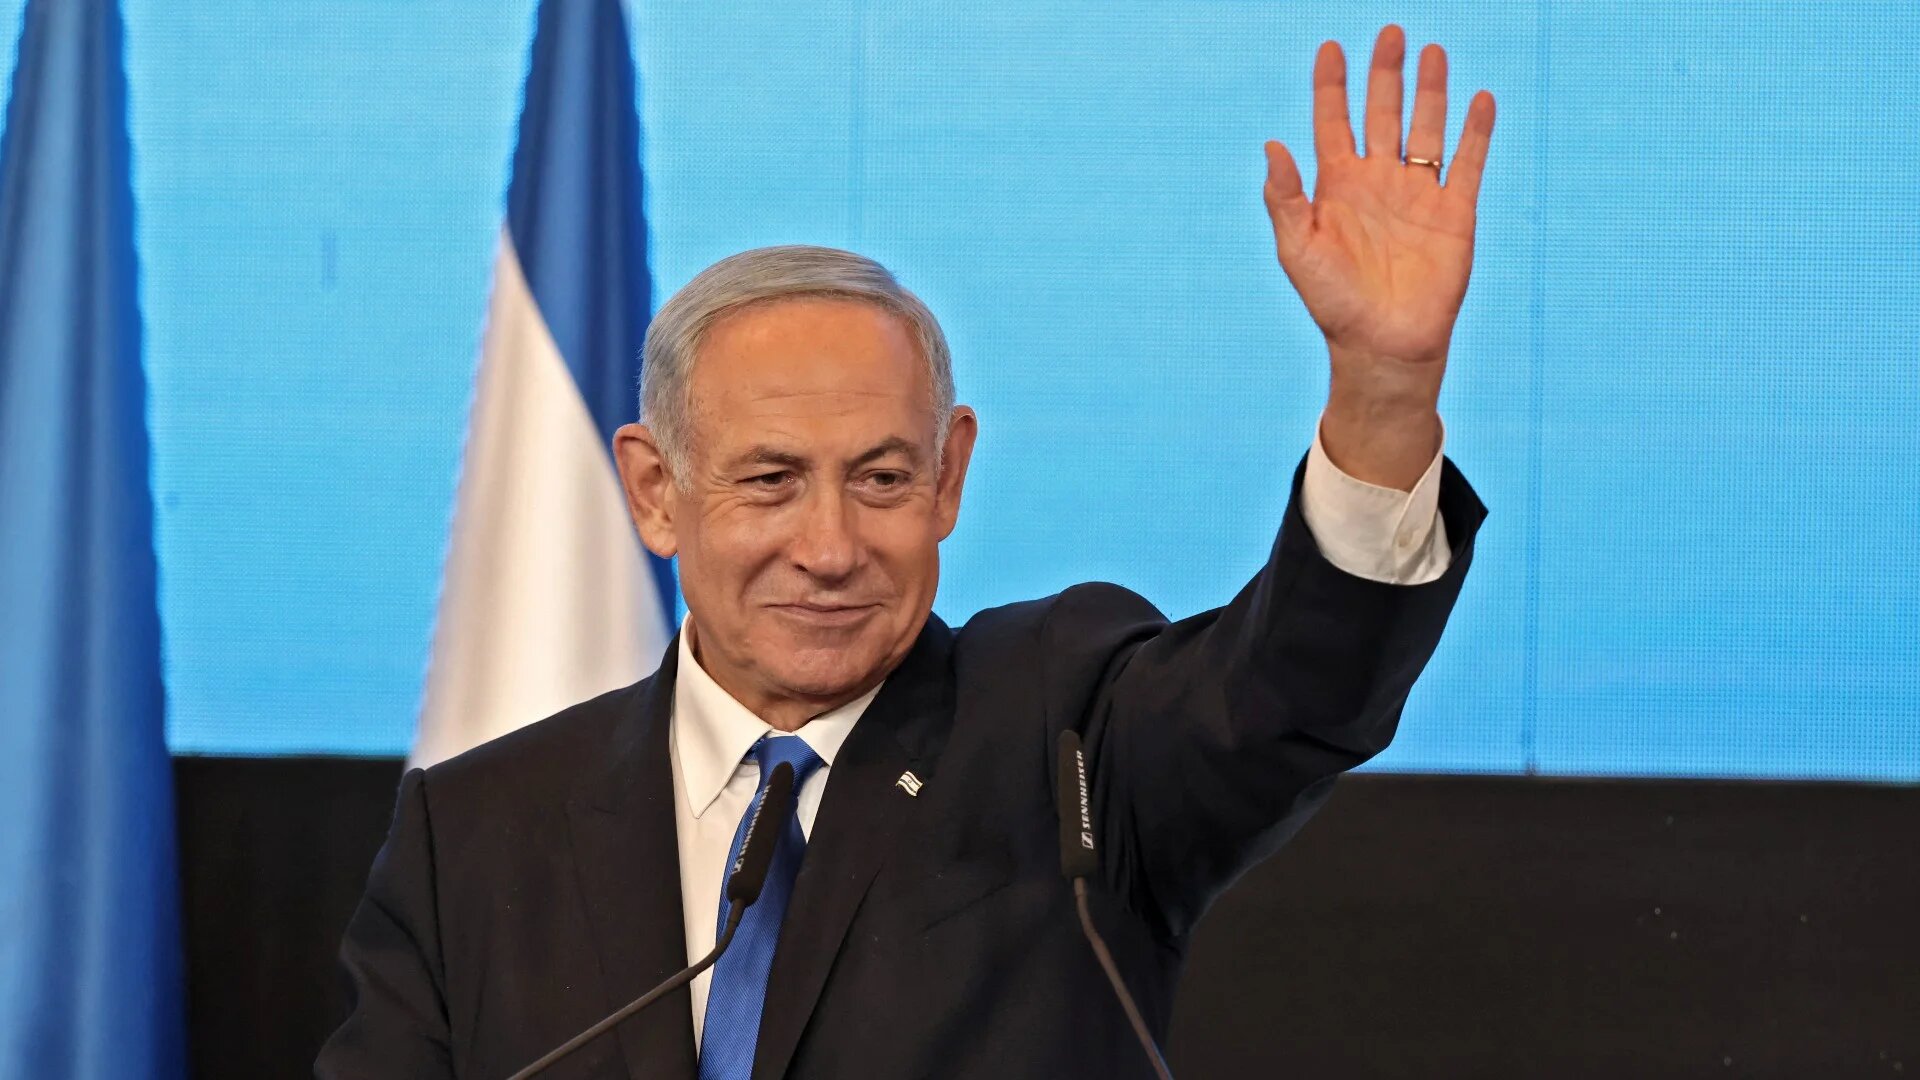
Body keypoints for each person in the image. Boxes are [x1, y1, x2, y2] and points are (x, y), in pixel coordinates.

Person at [318, 23, 1495, 1080]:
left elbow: (1293, 690)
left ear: (949, 477)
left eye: (881, 479)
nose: (829, 549)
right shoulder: (472, 834)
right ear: (655, 491)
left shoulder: (1070, 737)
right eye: (771, 482)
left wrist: (1384, 395)